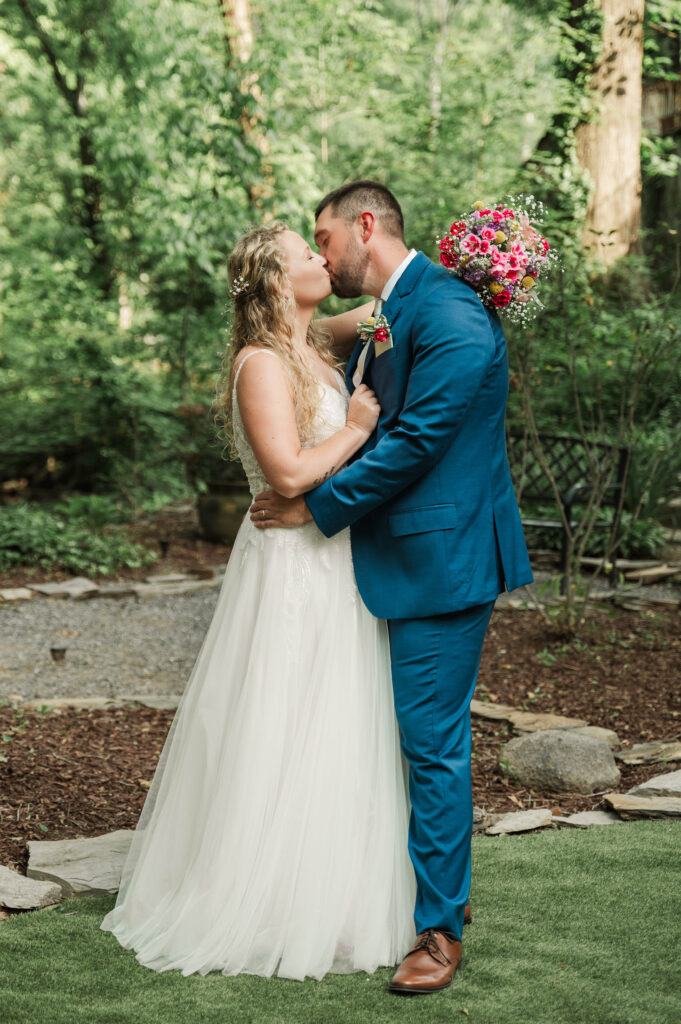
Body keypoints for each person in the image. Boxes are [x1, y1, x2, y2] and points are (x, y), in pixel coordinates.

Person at [101, 221, 416, 980]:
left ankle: (329, 897)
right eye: (308, 253)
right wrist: (357, 428)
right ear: (278, 282)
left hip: (331, 562)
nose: (323, 258)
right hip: (287, 568)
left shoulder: (313, 346)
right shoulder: (260, 363)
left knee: (332, 720)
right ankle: (262, 901)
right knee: (281, 719)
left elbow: (384, 308)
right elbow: (284, 473)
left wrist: (468, 273)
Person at [250, 181, 533, 995]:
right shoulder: (393, 308)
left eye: (323, 236)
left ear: (363, 227)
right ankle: (432, 893)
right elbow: (325, 350)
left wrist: (312, 504)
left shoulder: (445, 313)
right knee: (396, 738)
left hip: (440, 565)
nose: (321, 251)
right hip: (394, 561)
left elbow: (414, 443)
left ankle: (439, 930)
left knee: (430, 747)